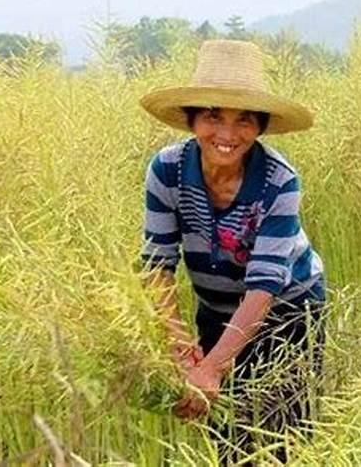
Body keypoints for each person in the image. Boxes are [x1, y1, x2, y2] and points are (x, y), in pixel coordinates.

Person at [139, 39, 326, 463]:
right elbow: (157, 265)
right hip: (216, 308)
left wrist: (213, 366)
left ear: (260, 126)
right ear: (191, 121)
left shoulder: (280, 180)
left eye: (243, 120)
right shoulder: (166, 170)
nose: (227, 134)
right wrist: (183, 353)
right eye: (212, 116)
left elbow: (263, 287)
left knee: (285, 435)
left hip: (289, 311)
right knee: (226, 436)